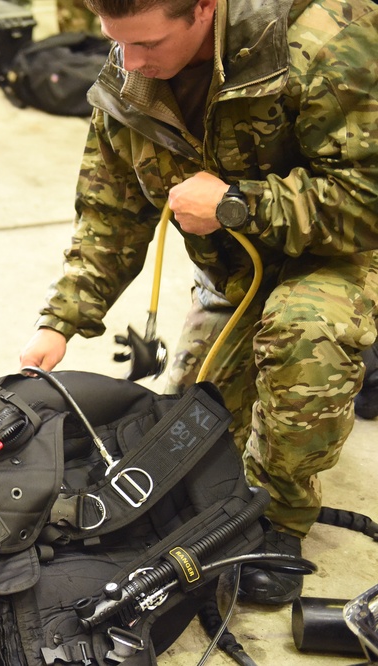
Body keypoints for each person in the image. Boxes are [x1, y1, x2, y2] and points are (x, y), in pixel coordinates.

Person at [19, 0, 378, 605]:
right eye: (117, 42)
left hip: (337, 258)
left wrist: (238, 204)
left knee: (302, 339)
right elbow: (110, 216)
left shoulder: (329, 40)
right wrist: (58, 322)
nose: (130, 62)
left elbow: (367, 201)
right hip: (232, 277)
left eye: (149, 45)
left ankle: (279, 523)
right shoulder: (132, 76)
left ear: (205, 8)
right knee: (189, 436)